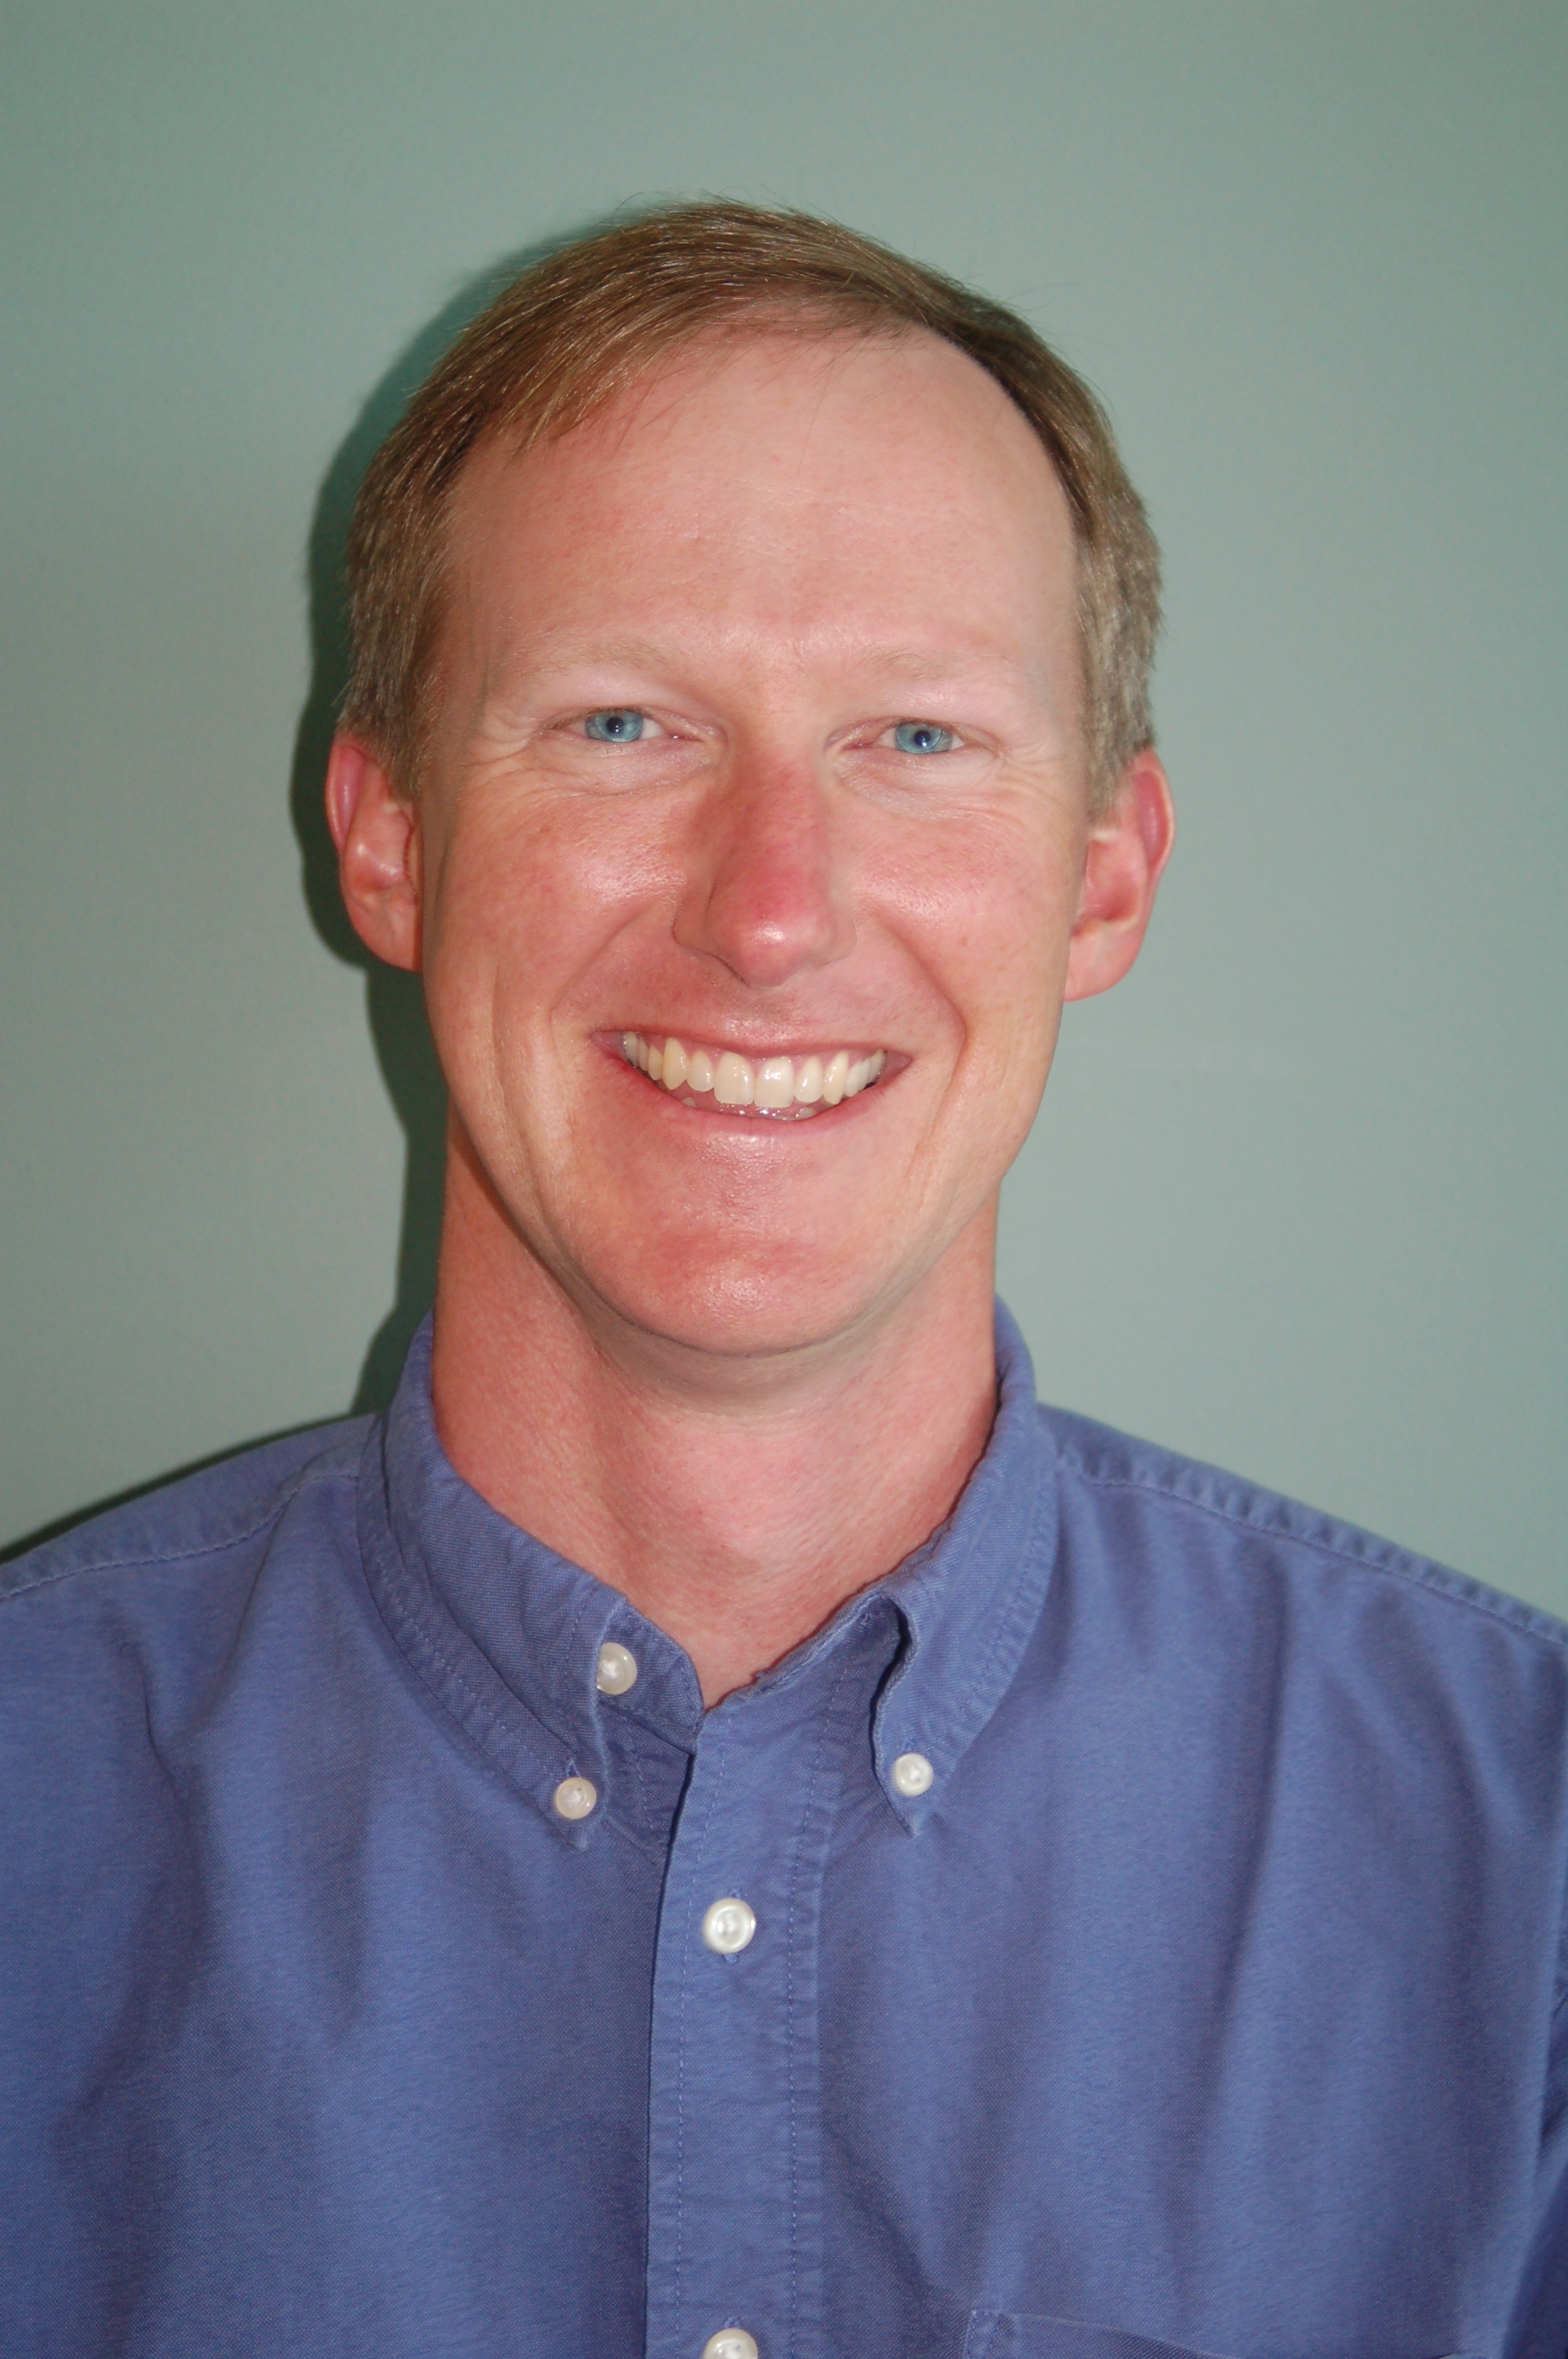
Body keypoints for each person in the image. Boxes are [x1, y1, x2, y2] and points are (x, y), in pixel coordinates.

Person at [2, 203, 1564, 2359]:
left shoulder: (1524, 1874)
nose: (768, 913)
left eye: (916, 738)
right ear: (388, 841)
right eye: (623, 722)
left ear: (1103, 877)